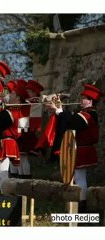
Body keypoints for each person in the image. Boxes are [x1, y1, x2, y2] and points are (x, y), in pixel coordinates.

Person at [45, 83, 103, 212]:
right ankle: (76, 204)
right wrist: (58, 110)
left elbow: (72, 122)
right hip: (80, 149)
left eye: (84, 98)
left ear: (90, 101)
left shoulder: (88, 115)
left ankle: (81, 206)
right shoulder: (86, 113)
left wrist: (59, 110)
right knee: (76, 177)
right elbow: (71, 119)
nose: (81, 100)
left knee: (79, 177)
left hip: (82, 149)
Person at [17, 80, 44, 179]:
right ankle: (21, 177)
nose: (27, 93)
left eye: (29, 91)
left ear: (35, 92)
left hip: (29, 132)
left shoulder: (35, 102)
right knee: (20, 157)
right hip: (25, 130)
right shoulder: (29, 102)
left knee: (24, 158)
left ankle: (25, 178)